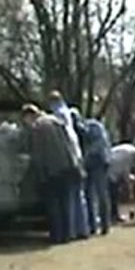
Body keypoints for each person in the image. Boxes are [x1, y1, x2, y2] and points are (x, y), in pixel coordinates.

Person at [21, 104, 77, 245]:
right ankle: (67, 234)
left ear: (29, 115)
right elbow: (69, 144)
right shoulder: (56, 121)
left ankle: (56, 236)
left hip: (50, 169)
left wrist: (38, 173)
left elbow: (37, 153)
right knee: (65, 202)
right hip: (66, 166)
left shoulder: (37, 127)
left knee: (53, 204)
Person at [47, 90, 89, 239]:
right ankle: (83, 229)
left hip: (69, 158)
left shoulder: (57, 116)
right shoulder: (69, 114)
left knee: (69, 198)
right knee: (79, 196)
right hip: (77, 155)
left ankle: (71, 231)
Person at [81, 112, 112, 235]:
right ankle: (104, 225)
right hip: (102, 161)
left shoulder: (89, 126)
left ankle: (94, 226)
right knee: (101, 194)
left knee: (92, 194)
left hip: (94, 161)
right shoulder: (97, 126)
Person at [108, 141, 135, 225]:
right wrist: (131, 179)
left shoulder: (130, 150)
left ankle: (114, 215)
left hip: (113, 171)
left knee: (115, 195)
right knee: (113, 195)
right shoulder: (129, 154)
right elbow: (124, 170)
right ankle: (113, 216)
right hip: (109, 171)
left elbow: (125, 171)